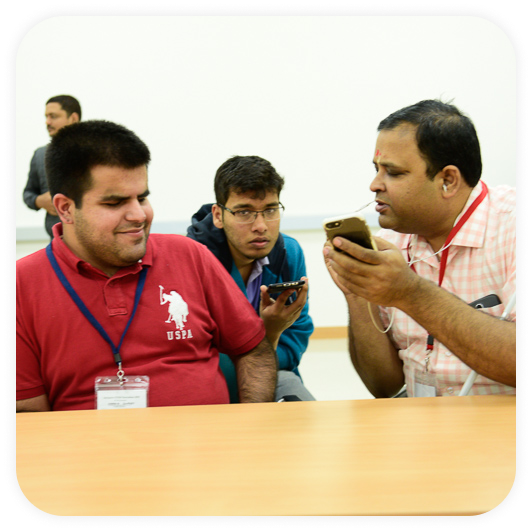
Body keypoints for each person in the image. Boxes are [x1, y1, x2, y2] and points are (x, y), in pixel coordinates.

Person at [16, 121, 277, 412]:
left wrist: (251, 424)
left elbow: (254, 349)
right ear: (65, 208)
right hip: (92, 454)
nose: (139, 214)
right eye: (115, 203)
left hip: (205, 452)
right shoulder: (22, 286)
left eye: (142, 197)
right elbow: (29, 415)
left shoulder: (190, 256)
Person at [323, 99, 516, 398]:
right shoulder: (392, 244)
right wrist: (358, 293)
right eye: (376, 169)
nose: (374, 184)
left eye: (393, 172)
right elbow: (385, 387)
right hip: (420, 432)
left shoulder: (511, 227)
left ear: (448, 180)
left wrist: (410, 293)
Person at [187, 155, 315, 402]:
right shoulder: (193, 261)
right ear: (217, 215)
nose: (261, 225)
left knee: (304, 416)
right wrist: (267, 335)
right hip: (212, 380)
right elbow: (194, 351)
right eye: (244, 212)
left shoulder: (288, 253)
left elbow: (297, 337)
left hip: (274, 371)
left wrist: (268, 341)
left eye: (270, 210)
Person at [23, 95, 82, 238]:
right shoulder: (39, 155)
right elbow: (28, 193)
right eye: (46, 117)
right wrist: (39, 201)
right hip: (55, 244)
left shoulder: (97, 154)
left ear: (73, 118)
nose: (47, 122)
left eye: (53, 116)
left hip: (93, 246)